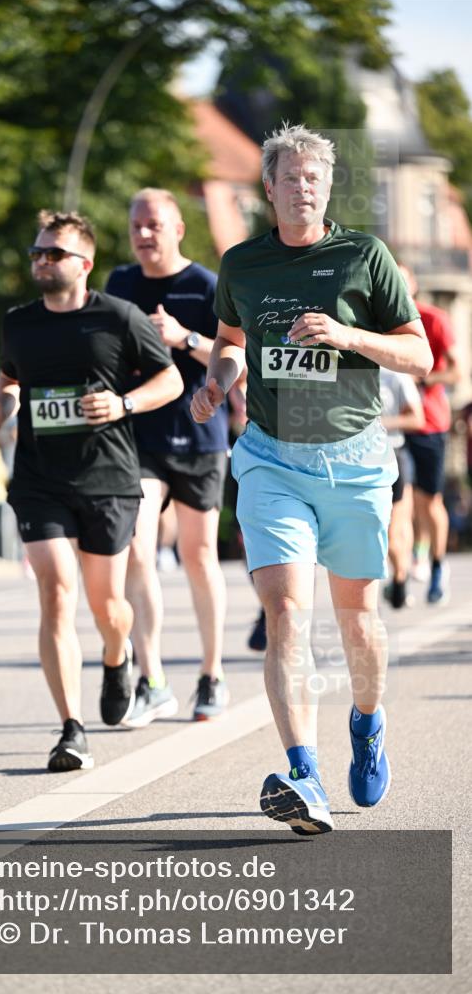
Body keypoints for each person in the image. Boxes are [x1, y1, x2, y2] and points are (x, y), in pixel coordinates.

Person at [191, 123, 432, 835]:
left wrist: (346, 335)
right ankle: (303, 771)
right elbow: (232, 342)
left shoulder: (364, 255)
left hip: (354, 460)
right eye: (290, 177)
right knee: (286, 612)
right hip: (270, 456)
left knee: (357, 620)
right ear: (267, 187)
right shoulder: (242, 264)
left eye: (314, 179)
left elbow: (416, 355)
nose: (302, 187)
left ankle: (366, 721)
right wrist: (216, 378)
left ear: (326, 189)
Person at [0, 210, 182, 772]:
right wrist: (1, 410)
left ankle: (118, 657)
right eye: (37, 253)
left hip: (108, 481)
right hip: (40, 479)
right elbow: (10, 376)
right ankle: (71, 729)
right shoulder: (19, 322)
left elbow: (171, 379)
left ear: (84, 263)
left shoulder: (120, 317)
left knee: (108, 606)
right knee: (56, 591)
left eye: (54, 253)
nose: (42, 261)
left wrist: (124, 403)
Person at [106, 188, 230, 724]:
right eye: (136, 225)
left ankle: (212, 672)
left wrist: (185, 338)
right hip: (139, 436)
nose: (143, 234)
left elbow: (235, 358)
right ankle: (151, 678)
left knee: (198, 556)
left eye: (154, 224)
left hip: (199, 435)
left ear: (178, 228)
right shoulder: (120, 284)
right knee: (137, 548)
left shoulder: (205, 285)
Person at [398, 265, 461, 604]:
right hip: (393, 424)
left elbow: (456, 371)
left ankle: (436, 564)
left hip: (430, 423)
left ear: (414, 285)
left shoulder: (433, 319)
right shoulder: (379, 323)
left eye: (403, 280)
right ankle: (402, 570)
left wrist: (424, 379)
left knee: (428, 501)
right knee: (400, 502)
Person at [379, 367, 425, 608]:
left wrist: (375, 422)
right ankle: (398, 577)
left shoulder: (394, 374)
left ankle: (399, 579)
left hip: (392, 454)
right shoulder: (345, 365)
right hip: (354, 458)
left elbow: (417, 419)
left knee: (394, 529)